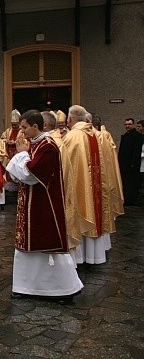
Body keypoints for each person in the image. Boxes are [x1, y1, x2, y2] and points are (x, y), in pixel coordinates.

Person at [6, 110, 83, 303]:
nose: (21, 132)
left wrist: (22, 154)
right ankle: (26, 286)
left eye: (24, 127)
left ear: (36, 126)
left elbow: (31, 175)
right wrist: (21, 156)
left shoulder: (48, 146)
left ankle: (65, 289)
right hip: (31, 204)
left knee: (49, 247)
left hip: (44, 204)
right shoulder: (36, 144)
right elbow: (16, 173)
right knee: (27, 248)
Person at [63, 105, 123, 265]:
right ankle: (95, 255)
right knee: (95, 208)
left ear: (70, 119)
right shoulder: (99, 135)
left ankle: (81, 257)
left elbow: (65, 167)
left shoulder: (71, 137)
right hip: (99, 189)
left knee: (83, 208)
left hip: (79, 189)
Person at [118, 118, 144, 205]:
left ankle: (131, 200)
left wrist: (133, 163)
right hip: (124, 164)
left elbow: (137, 151)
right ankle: (126, 199)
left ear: (133, 125)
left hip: (132, 165)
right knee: (125, 183)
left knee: (132, 184)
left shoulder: (137, 136)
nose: (127, 126)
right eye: (126, 124)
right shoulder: (125, 136)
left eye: (129, 124)